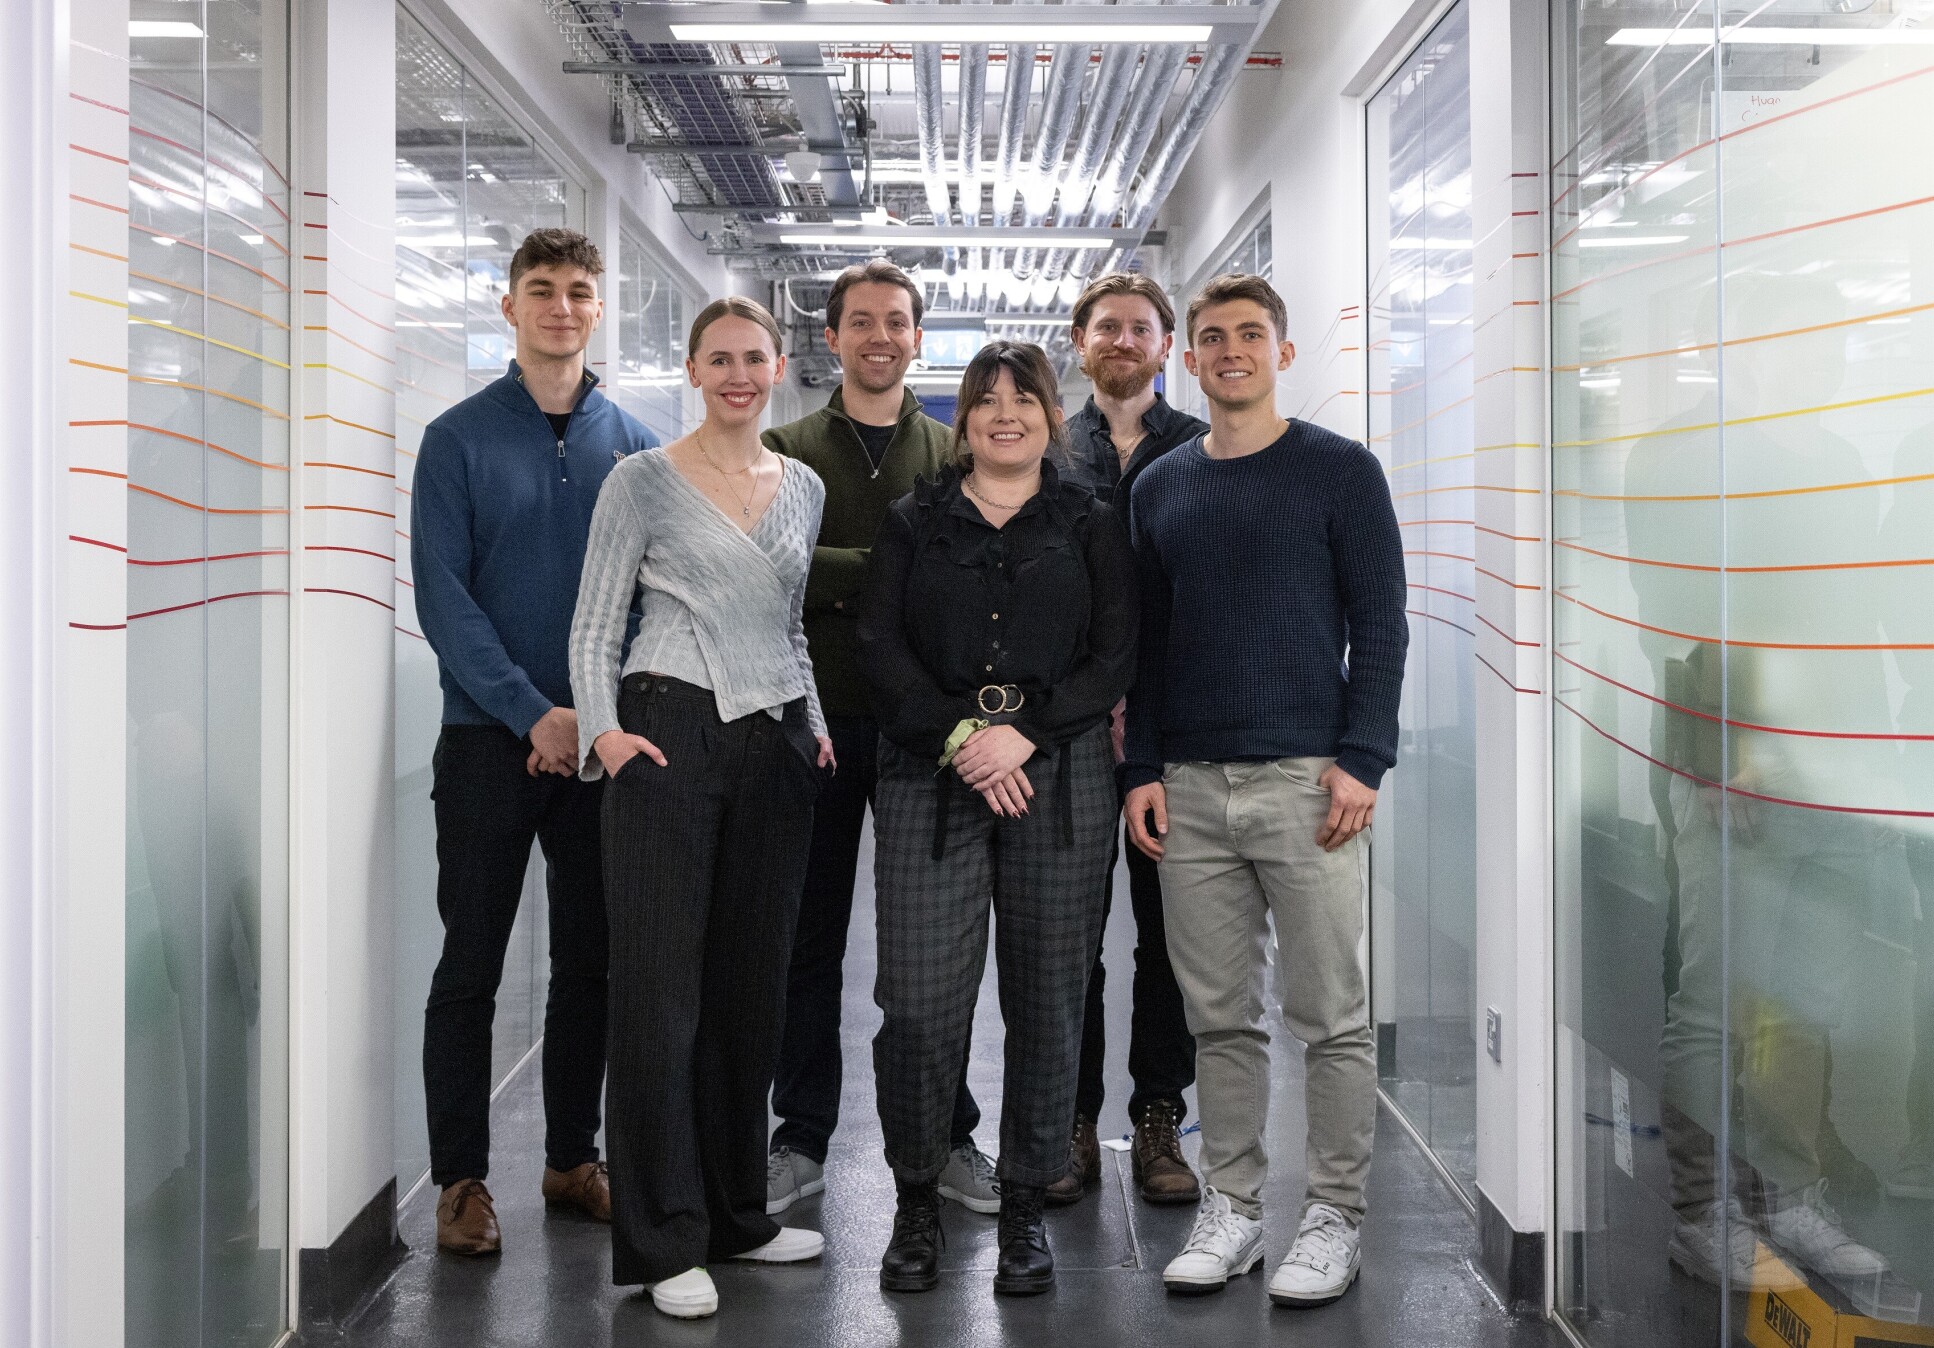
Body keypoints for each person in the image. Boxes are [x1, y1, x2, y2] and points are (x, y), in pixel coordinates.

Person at [1121, 274, 1407, 1307]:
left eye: (1250, 334)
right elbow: (1146, 646)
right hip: (1191, 787)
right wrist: (1141, 769)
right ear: (1188, 358)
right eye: (1212, 337)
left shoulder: (1340, 471)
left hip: (1308, 782)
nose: (1230, 350)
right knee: (1219, 1018)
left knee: (1329, 1016)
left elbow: (1380, 622)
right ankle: (1233, 1208)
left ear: (1282, 353)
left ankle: (1333, 1217)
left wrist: (1362, 757)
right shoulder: (1158, 486)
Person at [569, 296, 830, 1320]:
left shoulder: (801, 485)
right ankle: (661, 1237)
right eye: (718, 359)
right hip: (666, 732)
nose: (737, 375)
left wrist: (813, 723)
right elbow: (595, 623)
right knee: (657, 998)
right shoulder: (639, 479)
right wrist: (605, 735)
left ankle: (735, 1215)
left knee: (748, 995)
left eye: (752, 358)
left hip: (777, 742)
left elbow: (791, 621)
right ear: (691, 370)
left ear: (777, 367)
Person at [860, 341, 1137, 1297]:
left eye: (1025, 398)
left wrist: (1025, 733)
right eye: (987, 399)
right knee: (918, 1004)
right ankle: (916, 1198)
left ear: (1052, 416)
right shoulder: (913, 520)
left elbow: (1115, 653)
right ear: (964, 419)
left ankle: (1025, 1203)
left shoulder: (1091, 521)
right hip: (929, 775)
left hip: (1058, 774)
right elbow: (879, 646)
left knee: (1050, 999)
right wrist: (960, 736)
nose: (1005, 413)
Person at [410, 228, 656, 1257]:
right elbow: (444, 599)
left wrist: (589, 717)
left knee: (590, 962)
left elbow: (650, 598)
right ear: (509, 306)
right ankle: (461, 1180)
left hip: (598, 746)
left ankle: (569, 1158)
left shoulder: (636, 446)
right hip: (486, 743)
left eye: (579, 291)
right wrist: (529, 712)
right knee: (470, 963)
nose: (561, 306)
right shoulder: (457, 439)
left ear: (599, 309)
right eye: (542, 289)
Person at [761, 260, 997, 1218]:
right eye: (861, 321)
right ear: (833, 337)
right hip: (808, 729)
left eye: (896, 322)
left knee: (929, 957)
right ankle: (799, 1138)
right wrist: (893, 566)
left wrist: (840, 576)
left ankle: (947, 1134)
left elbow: (961, 581)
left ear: (917, 338)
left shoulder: (951, 453)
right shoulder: (784, 448)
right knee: (805, 945)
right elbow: (771, 568)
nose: (879, 337)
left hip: (918, 734)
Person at [1047, 272, 1206, 1209]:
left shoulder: (1201, 446)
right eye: (1106, 326)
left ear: (1164, 346)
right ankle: (1071, 1118)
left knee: (1166, 936)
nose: (1121, 340)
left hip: (1173, 727)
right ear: (1080, 342)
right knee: (1070, 936)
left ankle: (1158, 1117)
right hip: (1067, 726)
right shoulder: (1048, 447)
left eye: (1139, 328)